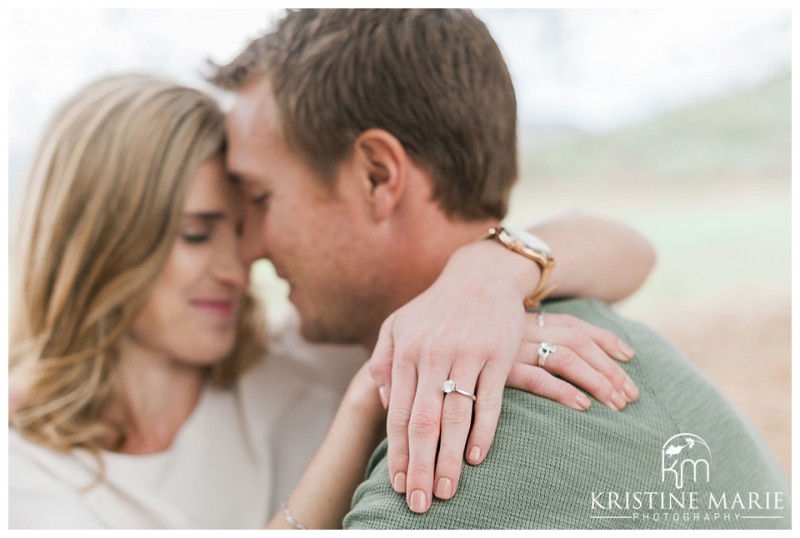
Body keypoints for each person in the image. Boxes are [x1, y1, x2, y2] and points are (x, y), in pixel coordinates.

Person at [211, 8, 790, 529]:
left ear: (378, 176)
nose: (249, 248)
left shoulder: (446, 469)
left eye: (261, 198)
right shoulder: (593, 323)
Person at [8, 73, 654, 529]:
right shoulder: (20, 461)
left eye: (244, 225)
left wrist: (485, 278)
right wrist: (361, 405)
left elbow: (631, 250)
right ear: (95, 241)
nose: (239, 266)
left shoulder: (298, 361)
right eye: (198, 232)